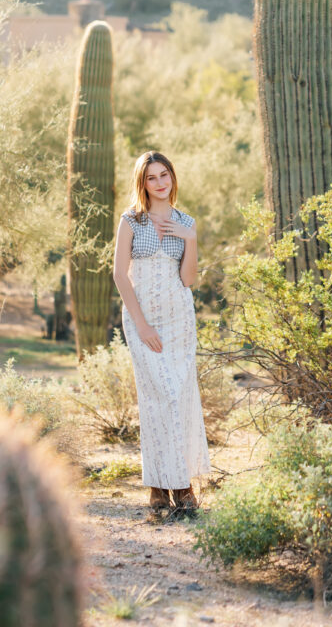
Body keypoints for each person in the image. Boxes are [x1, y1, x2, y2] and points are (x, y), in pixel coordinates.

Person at [113, 150, 211, 515]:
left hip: (179, 323)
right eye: (152, 177)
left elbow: (187, 280)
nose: (159, 183)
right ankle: (158, 487)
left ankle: (182, 488)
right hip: (144, 322)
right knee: (157, 398)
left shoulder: (186, 221)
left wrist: (190, 239)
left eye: (164, 175)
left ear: (172, 177)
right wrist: (141, 324)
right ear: (143, 182)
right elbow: (121, 275)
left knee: (179, 398)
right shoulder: (131, 220)